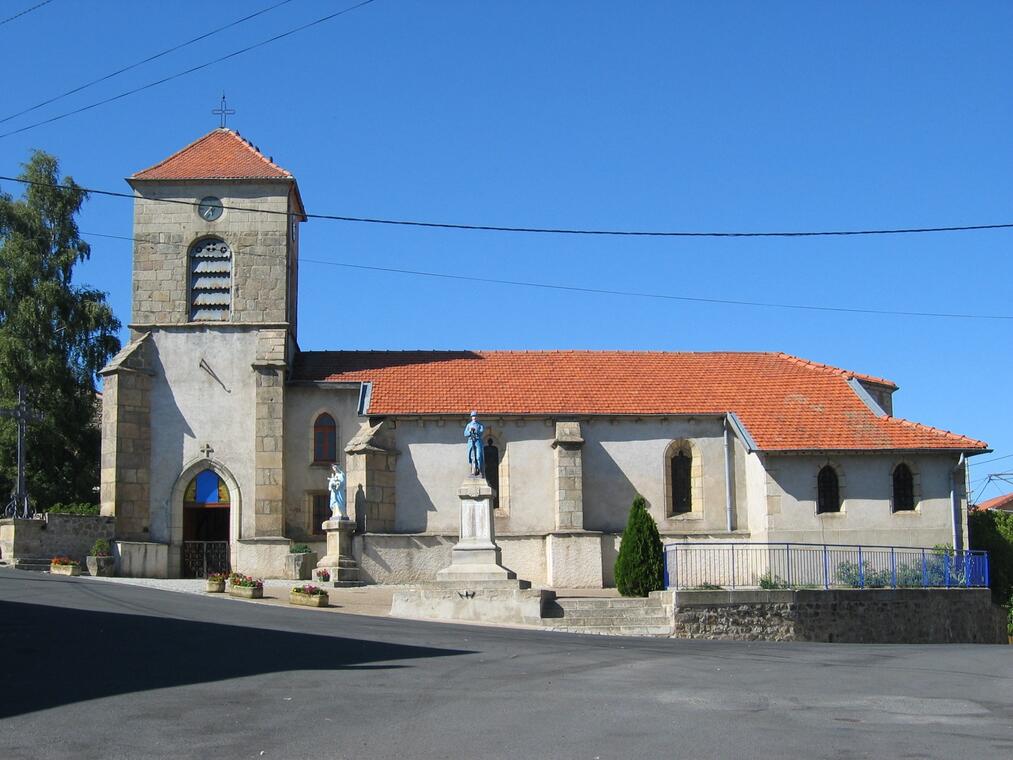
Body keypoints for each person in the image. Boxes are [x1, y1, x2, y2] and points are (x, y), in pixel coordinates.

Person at [465, 411, 485, 476]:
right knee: (470, 456)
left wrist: (476, 431)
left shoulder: (480, 425)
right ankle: (472, 471)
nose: (474, 417)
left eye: (475, 416)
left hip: (477, 441)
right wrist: (470, 432)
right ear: (471, 417)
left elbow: (482, 431)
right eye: (473, 416)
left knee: (478, 456)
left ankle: (479, 470)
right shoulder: (469, 425)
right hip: (471, 441)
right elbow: (465, 433)